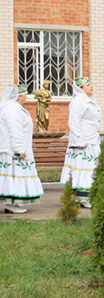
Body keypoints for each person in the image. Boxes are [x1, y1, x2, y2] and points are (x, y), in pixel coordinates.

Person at [0, 85, 42, 214]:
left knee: (15, 176)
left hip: (16, 149)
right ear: (19, 96)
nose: (26, 97)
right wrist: (19, 150)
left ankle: (14, 203)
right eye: (25, 94)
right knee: (14, 176)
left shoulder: (14, 108)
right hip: (13, 151)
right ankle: (12, 203)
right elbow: (15, 131)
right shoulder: (13, 110)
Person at [60, 77, 101, 209]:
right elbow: (73, 121)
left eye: (90, 84)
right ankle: (82, 196)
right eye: (87, 85)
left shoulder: (89, 101)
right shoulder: (78, 101)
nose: (91, 87)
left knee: (90, 168)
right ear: (80, 88)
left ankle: (85, 195)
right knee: (83, 168)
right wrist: (79, 140)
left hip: (92, 139)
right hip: (83, 141)